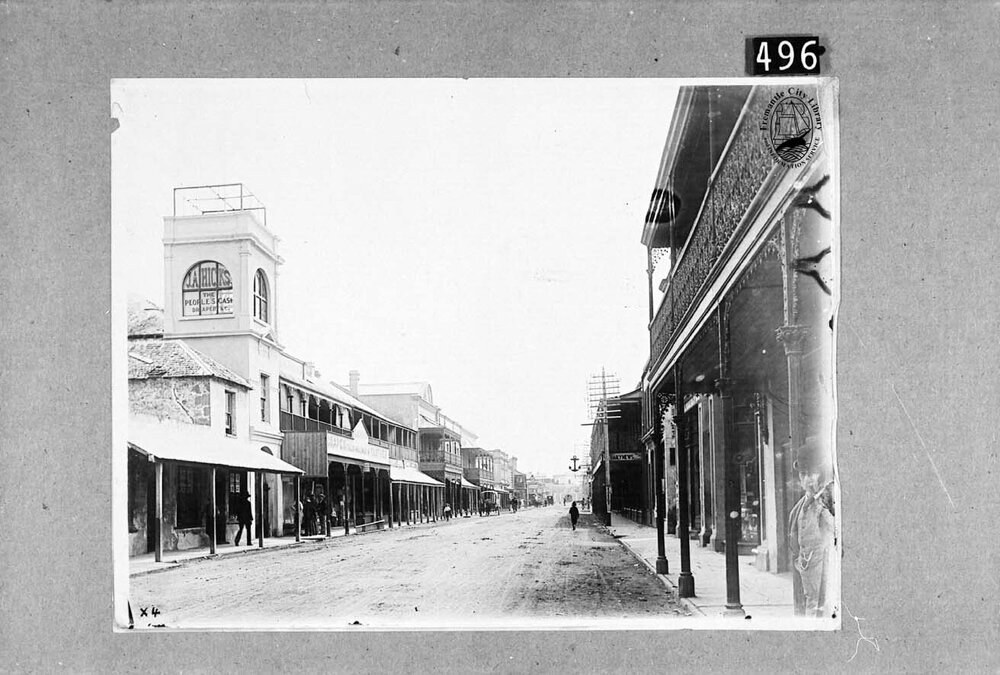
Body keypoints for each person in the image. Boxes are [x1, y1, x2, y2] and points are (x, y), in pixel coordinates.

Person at [788, 437, 837, 618]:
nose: (807, 479)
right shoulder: (798, 508)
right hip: (808, 589)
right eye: (803, 474)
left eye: (812, 473)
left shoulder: (830, 503)